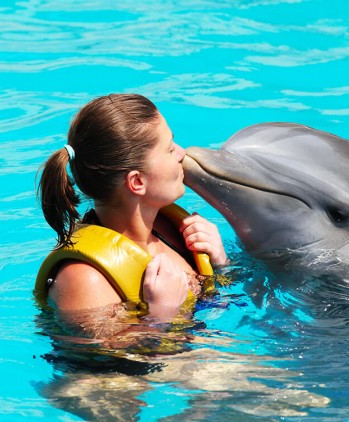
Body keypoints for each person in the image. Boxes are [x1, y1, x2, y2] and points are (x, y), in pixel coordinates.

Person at [35, 94, 227, 326]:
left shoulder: (171, 230)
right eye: (169, 149)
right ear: (137, 182)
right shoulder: (84, 279)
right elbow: (96, 361)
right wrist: (161, 314)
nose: (181, 153)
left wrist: (220, 264)